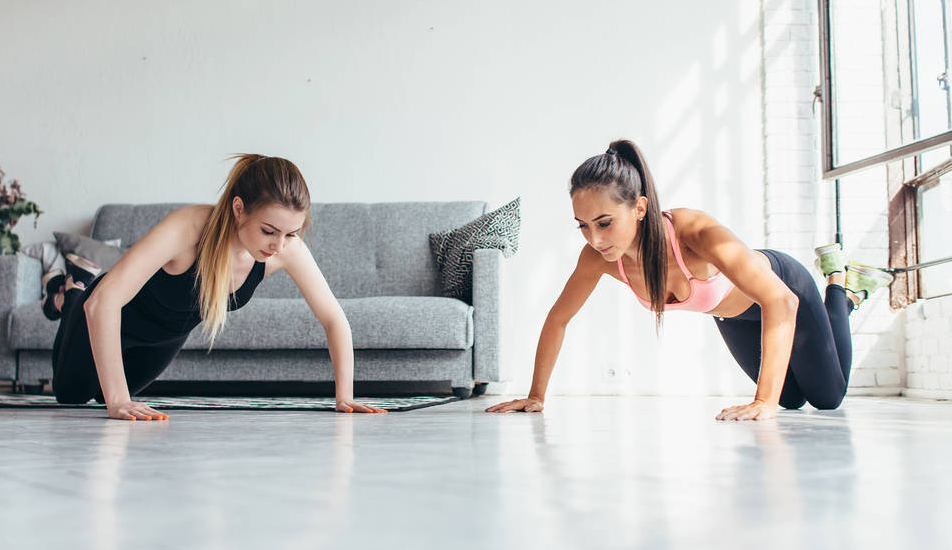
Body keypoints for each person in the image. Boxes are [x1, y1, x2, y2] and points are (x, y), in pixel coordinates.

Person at [487, 140, 893, 421]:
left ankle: (840, 285)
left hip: (784, 291)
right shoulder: (598, 258)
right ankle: (844, 296)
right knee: (790, 398)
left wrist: (761, 402)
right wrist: (537, 395)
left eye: (605, 223)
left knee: (826, 398)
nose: (595, 238)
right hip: (734, 317)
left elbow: (780, 302)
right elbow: (559, 318)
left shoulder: (694, 233)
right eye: (583, 226)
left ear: (640, 208)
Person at [49, 154, 386, 420]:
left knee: (111, 396)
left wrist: (345, 397)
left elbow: (333, 319)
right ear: (239, 209)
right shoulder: (187, 229)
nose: (279, 246)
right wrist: (117, 401)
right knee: (74, 395)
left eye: (291, 233)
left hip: (165, 336)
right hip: (103, 310)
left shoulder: (285, 250)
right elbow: (104, 304)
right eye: (269, 231)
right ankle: (73, 291)